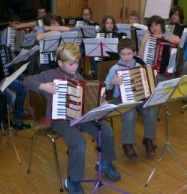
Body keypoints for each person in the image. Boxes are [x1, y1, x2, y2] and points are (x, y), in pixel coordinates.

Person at [23, 43, 121, 194]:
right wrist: (43, 86)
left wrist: (100, 102)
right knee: (78, 141)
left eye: (77, 62)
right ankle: (73, 180)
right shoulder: (50, 74)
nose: (75, 67)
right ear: (60, 63)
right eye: (71, 64)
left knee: (106, 129)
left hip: (79, 116)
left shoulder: (79, 77)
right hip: (59, 119)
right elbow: (26, 81)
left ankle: (105, 163)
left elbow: (86, 100)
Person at [105, 38, 157, 160]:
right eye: (123, 54)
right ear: (119, 54)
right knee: (130, 114)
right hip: (120, 99)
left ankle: (148, 139)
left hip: (138, 96)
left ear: (134, 53)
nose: (126, 57)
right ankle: (127, 144)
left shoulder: (139, 66)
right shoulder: (115, 68)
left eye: (129, 54)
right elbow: (105, 84)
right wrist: (113, 82)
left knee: (151, 111)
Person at [138, 15, 180, 82]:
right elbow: (141, 57)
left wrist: (162, 36)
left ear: (161, 25)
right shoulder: (148, 36)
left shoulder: (167, 34)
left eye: (156, 25)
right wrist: (142, 43)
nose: (154, 28)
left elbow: (177, 40)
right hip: (153, 72)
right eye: (151, 26)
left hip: (168, 72)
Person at [75, 7, 100, 77]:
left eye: (87, 14)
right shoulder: (78, 24)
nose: (85, 16)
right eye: (84, 14)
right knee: (77, 54)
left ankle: (96, 76)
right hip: (81, 44)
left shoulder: (95, 25)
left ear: (90, 15)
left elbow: (98, 37)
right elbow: (74, 35)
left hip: (91, 45)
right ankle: (77, 75)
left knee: (95, 56)